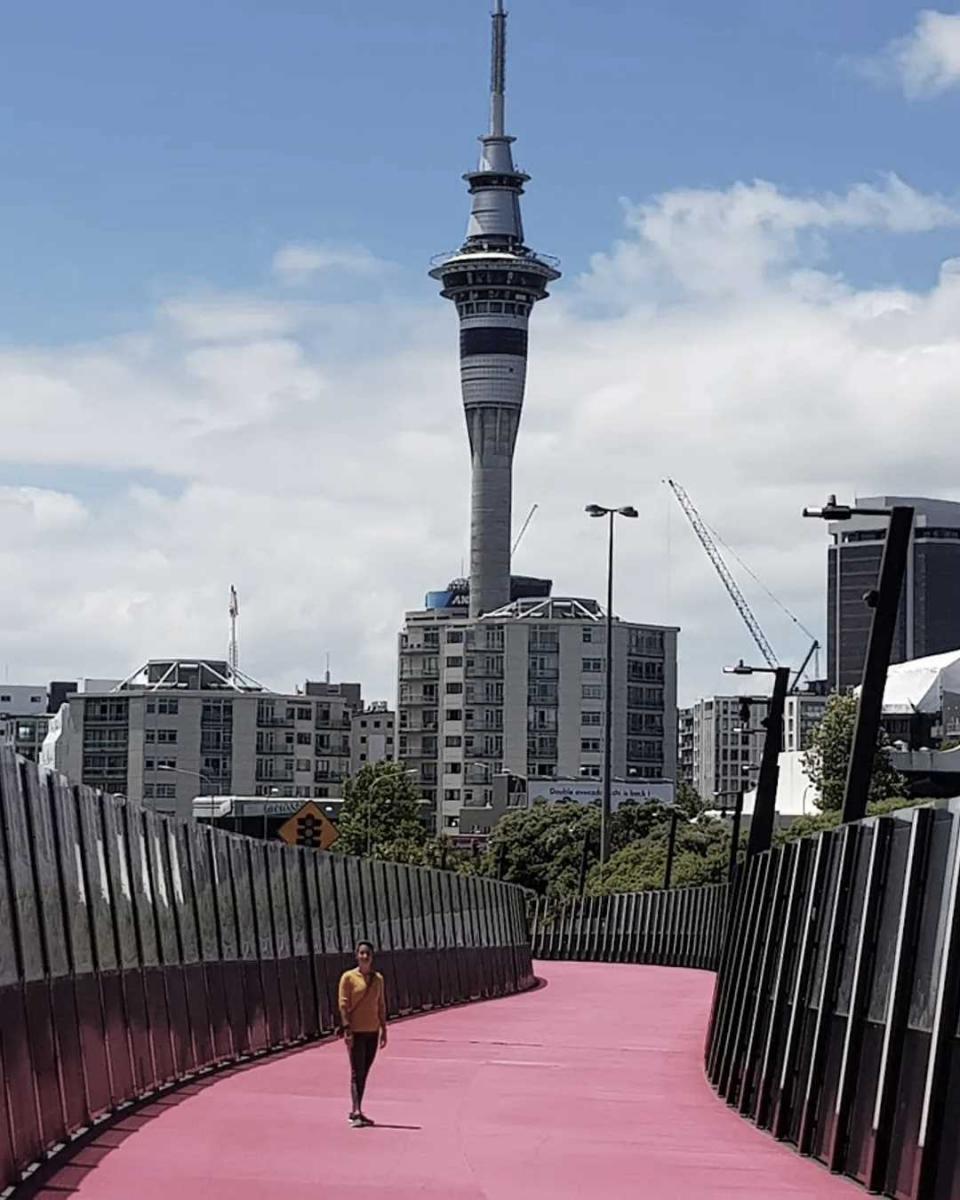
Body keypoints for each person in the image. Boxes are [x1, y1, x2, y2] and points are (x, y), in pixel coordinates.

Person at [338, 941, 387, 1127]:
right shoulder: (348, 978)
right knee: (356, 1071)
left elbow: (381, 1005)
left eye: (368, 954)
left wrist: (384, 1029)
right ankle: (356, 1110)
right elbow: (343, 1004)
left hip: (372, 1031)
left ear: (372, 957)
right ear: (356, 956)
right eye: (362, 953)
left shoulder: (378, 979)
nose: (365, 957)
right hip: (356, 1032)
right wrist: (347, 1029)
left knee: (364, 1071)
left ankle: (357, 1109)